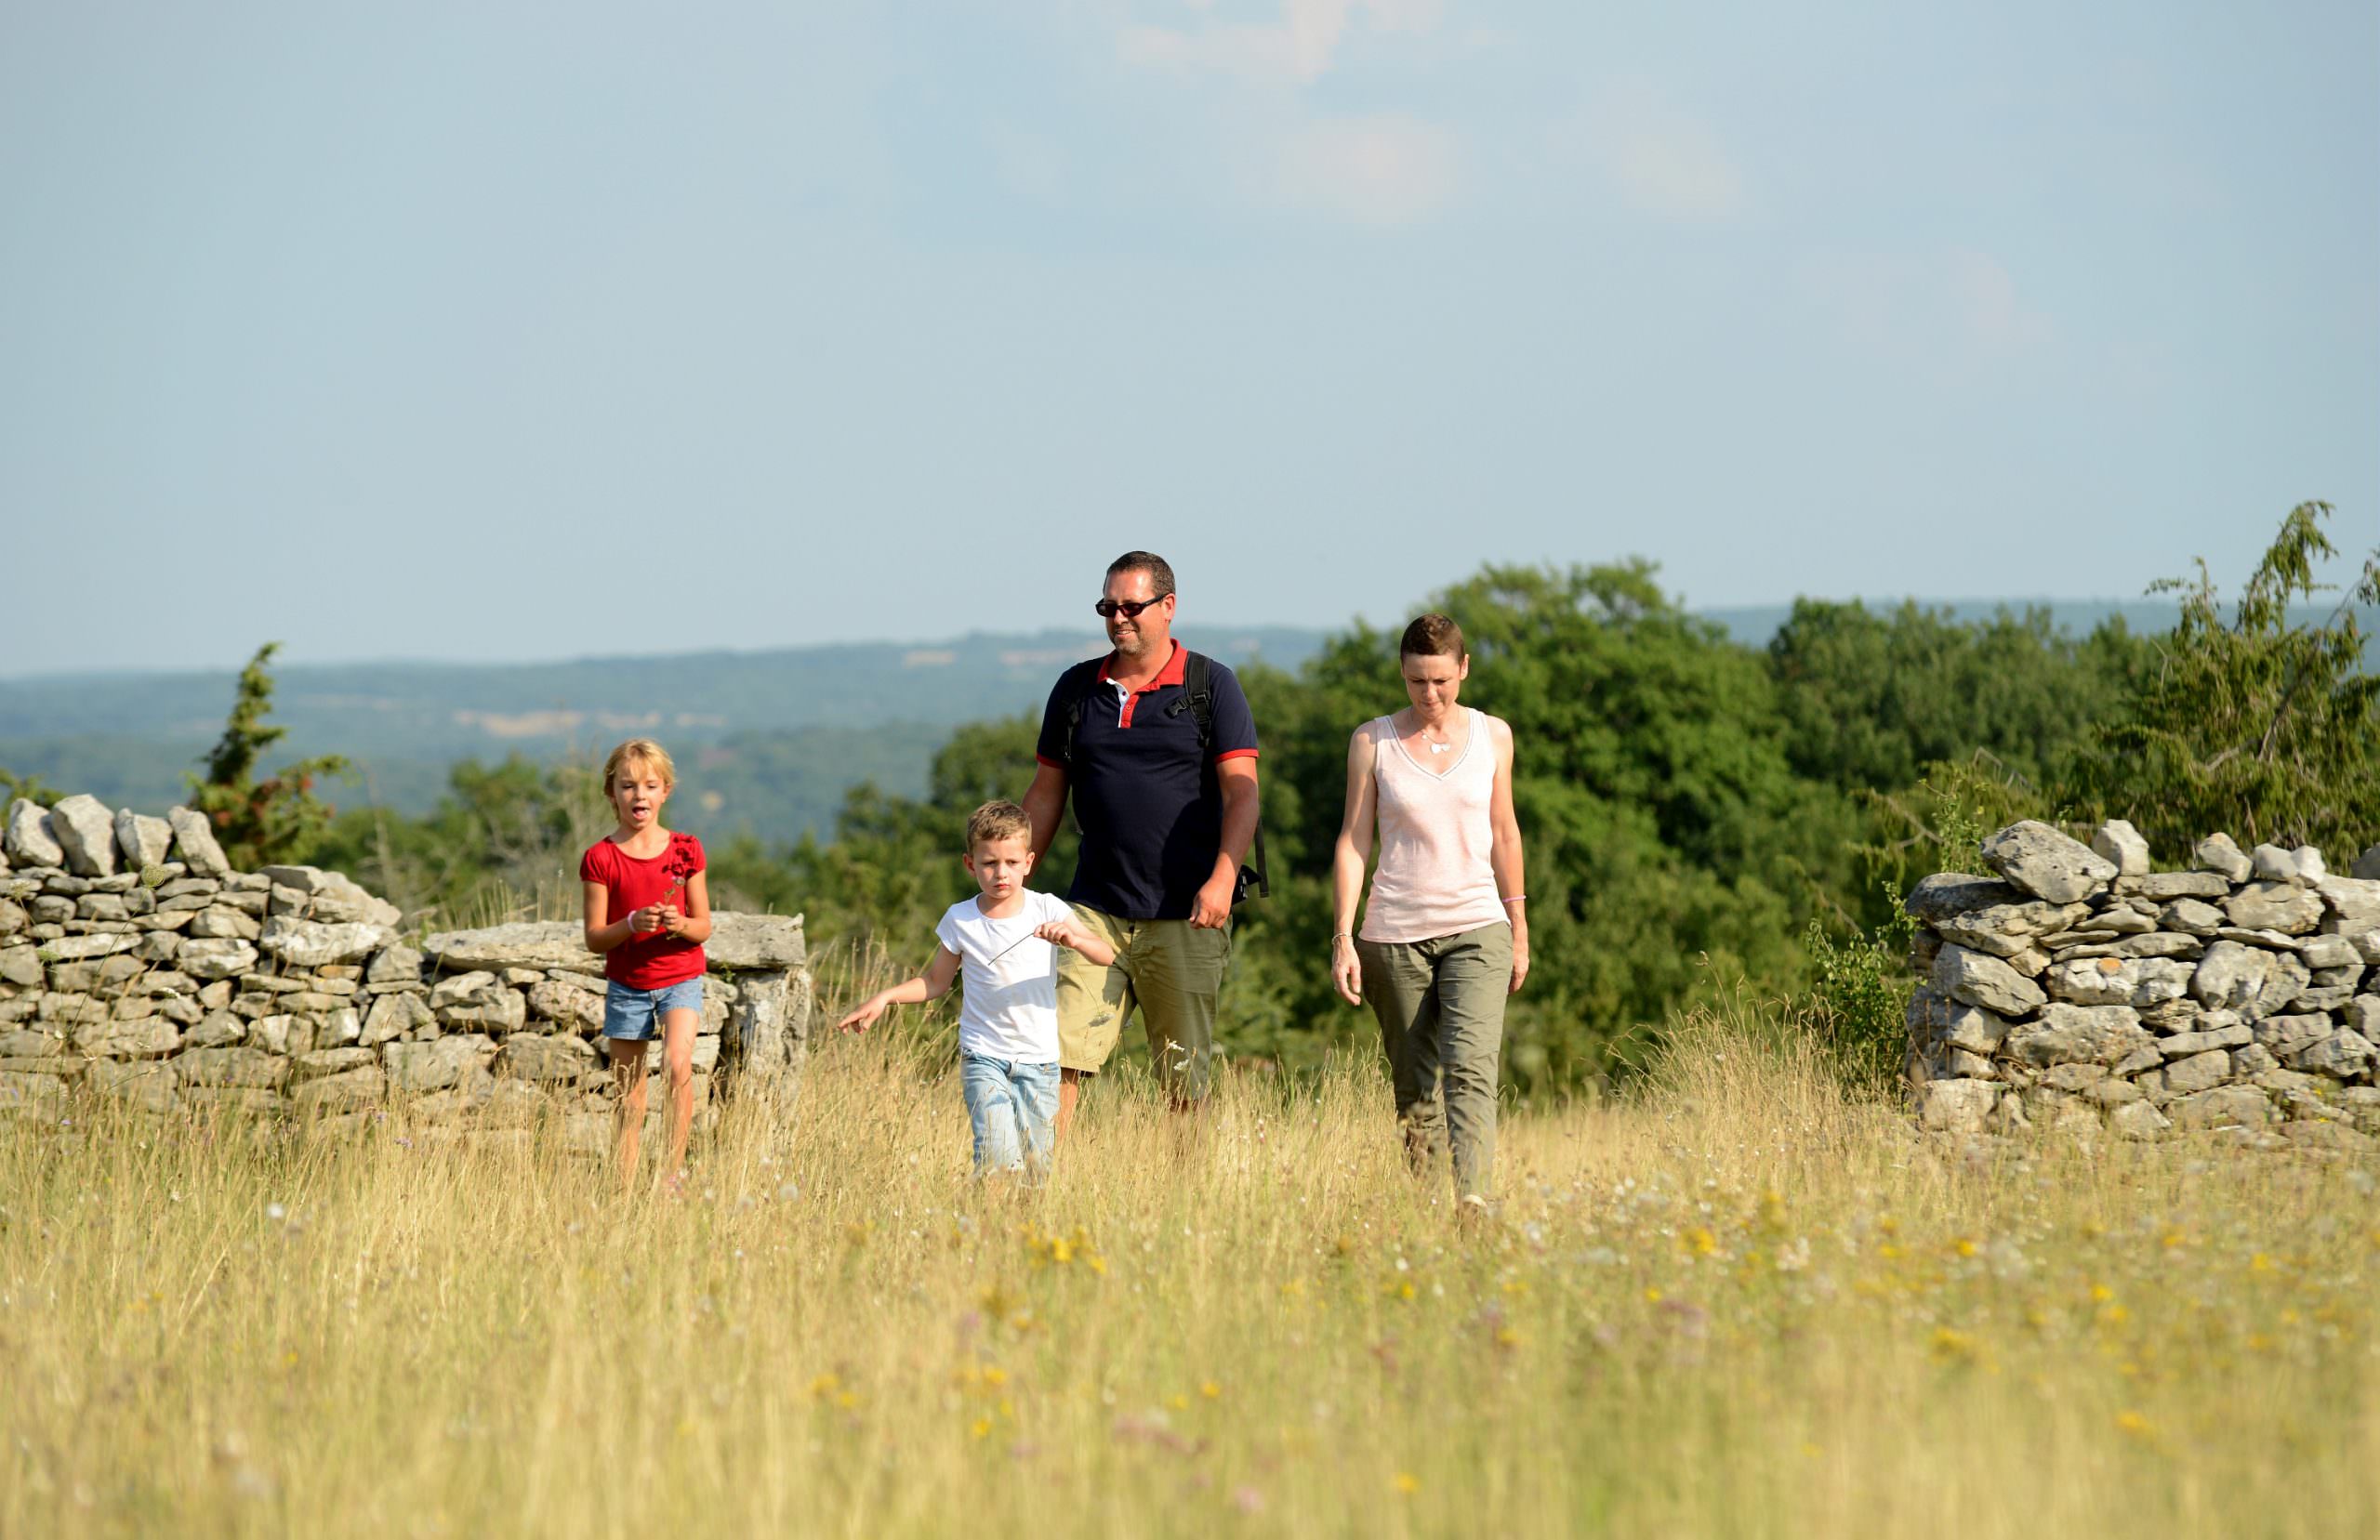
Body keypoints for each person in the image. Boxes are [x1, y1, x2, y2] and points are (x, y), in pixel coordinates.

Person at [1023, 551, 1260, 1136]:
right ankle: (1037, 1195)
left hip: (1185, 914)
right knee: (1058, 1061)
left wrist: (1224, 877)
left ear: (1168, 607)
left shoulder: (1212, 686)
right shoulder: (1077, 689)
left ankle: (1185, 1204)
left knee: (1182, 1079)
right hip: (1093, 908)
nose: (1118, 618)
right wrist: (1013, 874)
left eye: (1132, 606)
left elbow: (1243, 795)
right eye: (1109, 607)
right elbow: (1047, 792)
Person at [1329, 614, 1528, 1212]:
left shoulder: (1494, 736)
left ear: (1463, 669)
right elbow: (1353, 842)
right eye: (1417, 681)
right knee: (1415, 1087)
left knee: (1470, 1070)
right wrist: (1343, 936)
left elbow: (1505, 833)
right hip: (1394, 936)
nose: (1430, 694)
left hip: (1478, 926)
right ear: (1403, 674)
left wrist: (1519, 929)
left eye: (1441, 680)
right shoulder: (1373, 742)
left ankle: (1472, 1205)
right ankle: (1425, 1209)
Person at [836, 800, 1117, 1178]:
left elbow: (1106, 955)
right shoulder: (960, 918)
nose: (1001, 873)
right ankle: (986, 1218)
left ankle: (1021, 1232)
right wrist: (885, 997)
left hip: (1039, 1061)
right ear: (970, 864)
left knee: (1036, 1169)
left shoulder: (1046, 908)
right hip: (983, 1057)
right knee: (999, 1157)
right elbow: (935, 981)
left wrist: (1073, 938)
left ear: (1029, 862)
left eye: (1012, 863)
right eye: (989, 863)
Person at [580, 738, 712, 1191]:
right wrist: (632, 923)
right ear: (611, 793)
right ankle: (623, 1185)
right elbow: (595, 938)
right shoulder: (600, 858)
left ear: (666, 792)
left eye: (649, 786)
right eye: (628, 786)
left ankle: (672, 1176)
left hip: (680, 978)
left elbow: (704, 928)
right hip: (627, 986)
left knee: (679, 1066)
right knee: (629, 1096)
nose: (639, 795)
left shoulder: (686, 850)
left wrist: (679, 923)